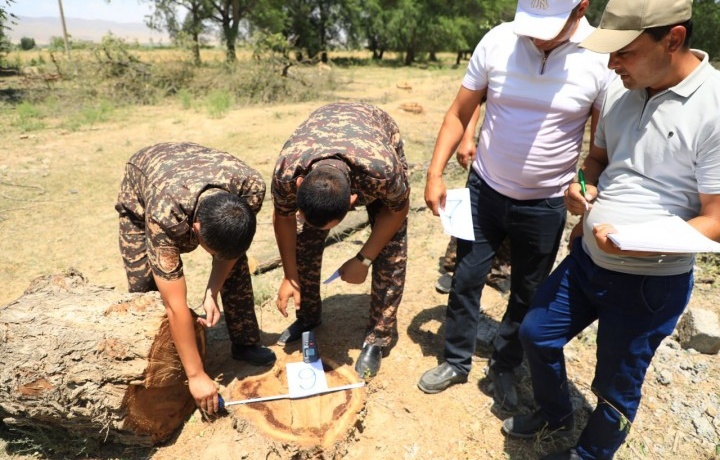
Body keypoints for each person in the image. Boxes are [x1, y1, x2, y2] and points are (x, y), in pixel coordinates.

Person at [501, 0, 720, 458]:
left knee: (616, 386)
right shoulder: (622, 88)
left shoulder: (714, 108)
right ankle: (556, 413)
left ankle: (591, 453)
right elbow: (597, 161)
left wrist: (631, 243)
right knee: (536, 333)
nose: (611, 63)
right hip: (588, 259)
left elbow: (714, 220)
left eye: (624, 51)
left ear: (673, 39)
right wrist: (585, 189)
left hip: (649, 286)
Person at [418, 0, 615, 413]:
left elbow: (600, 148)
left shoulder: (600, 57)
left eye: (550, 24)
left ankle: (504, 367)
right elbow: (460, 111)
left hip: (545, 203)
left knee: (527, 292)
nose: (538, 35)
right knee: (466, 277)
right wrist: (435, 172)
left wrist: (587, 189)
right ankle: (456, 360)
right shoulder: (497, 40)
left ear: (582, 8)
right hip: (484, 189)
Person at [115, 142, 276, 416]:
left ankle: (245, 342)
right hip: (144, 187)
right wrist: (197, 375)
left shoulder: (250, 188)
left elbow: (230, 253)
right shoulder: (164, 218)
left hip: (190, 171)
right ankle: (163, 369)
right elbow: (174, 304)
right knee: (145, 287)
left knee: (235, 262)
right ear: (196, 230)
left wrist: (212, 291)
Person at [271, 102, 409, 379]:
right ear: (300, 186)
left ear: (352, 201)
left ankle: (376, 339)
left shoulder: (382, 171)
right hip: (323, 128)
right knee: (304, 244)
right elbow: (283, 217)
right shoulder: (288, 171)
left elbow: (398, 210)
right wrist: (289, 274)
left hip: (375, 133)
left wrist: (364, 258)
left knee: (391, 252)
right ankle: (308, 317)